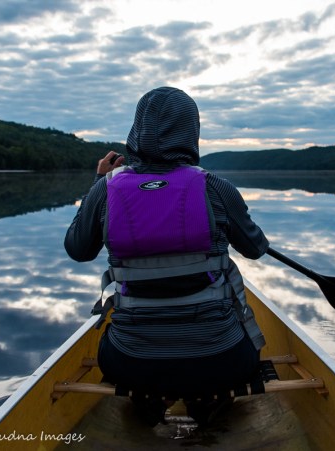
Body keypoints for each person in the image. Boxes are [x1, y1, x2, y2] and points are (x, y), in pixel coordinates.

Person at [64, 86, 268, 426]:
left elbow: (78, 250)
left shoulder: (106, 189)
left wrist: (98, 182)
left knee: (123, 353)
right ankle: (209, 408)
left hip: (129, 360)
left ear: (136, 131)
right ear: (192, 131)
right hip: (220, 358)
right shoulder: (217, 188)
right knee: (240, 345)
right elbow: (256, 249)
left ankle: (146, 408)